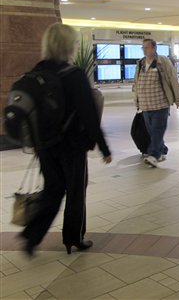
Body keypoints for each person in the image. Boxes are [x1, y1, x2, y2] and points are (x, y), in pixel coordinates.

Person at [19, 23, 112, 256]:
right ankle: (73, 238)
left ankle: (32, 235)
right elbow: (89, 115)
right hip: (72, 145)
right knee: (75, 191)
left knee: (52, 189)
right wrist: (103, 147)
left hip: (44, 145)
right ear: (69, 45)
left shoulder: (37, 72)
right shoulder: (74, 75)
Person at [134, 38, 179, 168]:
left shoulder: (163, 62)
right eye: (143, 48)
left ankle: (154, 155)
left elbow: (172, 79)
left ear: (154, 48)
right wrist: (137, 100)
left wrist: (178, 98)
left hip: (160, 104)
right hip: (145, 105)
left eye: (147, 47)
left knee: (157, 130)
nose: (144, 50)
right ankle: (161, 150)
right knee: (152, 131)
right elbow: (137, 82)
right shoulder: (141, 63)